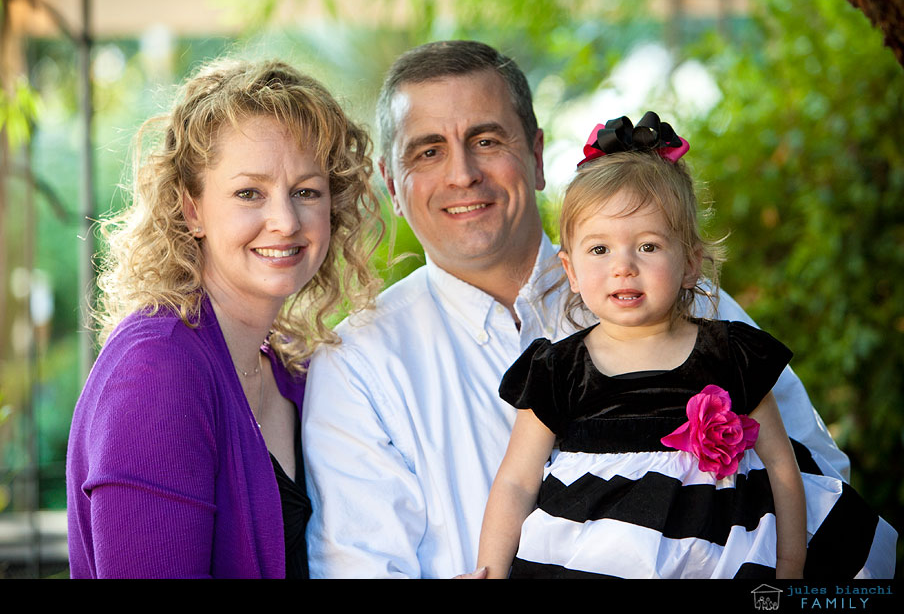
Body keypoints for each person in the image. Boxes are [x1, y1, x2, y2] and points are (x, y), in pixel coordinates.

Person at [302, 40, 851, 579]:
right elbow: (360, 567)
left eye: (486, 139)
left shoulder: (685, 306)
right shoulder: (358, 365)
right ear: (392, 185)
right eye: (428, 151)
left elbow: (821, 485)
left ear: (537, 156)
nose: (462, 173)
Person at [475, 113, 896, 579]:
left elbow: (782, 469)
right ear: (570, 270)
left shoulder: (728, 353)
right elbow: (516, 482)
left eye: (649, 246)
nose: (624, 267)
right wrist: (489, 572)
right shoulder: (558, 369)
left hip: (722, 557)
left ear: (691, 263)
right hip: (593, 560)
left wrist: (789, 570)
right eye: (600, 250)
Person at [65, 59, 382, 578]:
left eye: (306, 191)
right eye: (249, 193)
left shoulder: (289, 369)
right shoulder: (155, 371)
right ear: (192, 210)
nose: (284, 221)